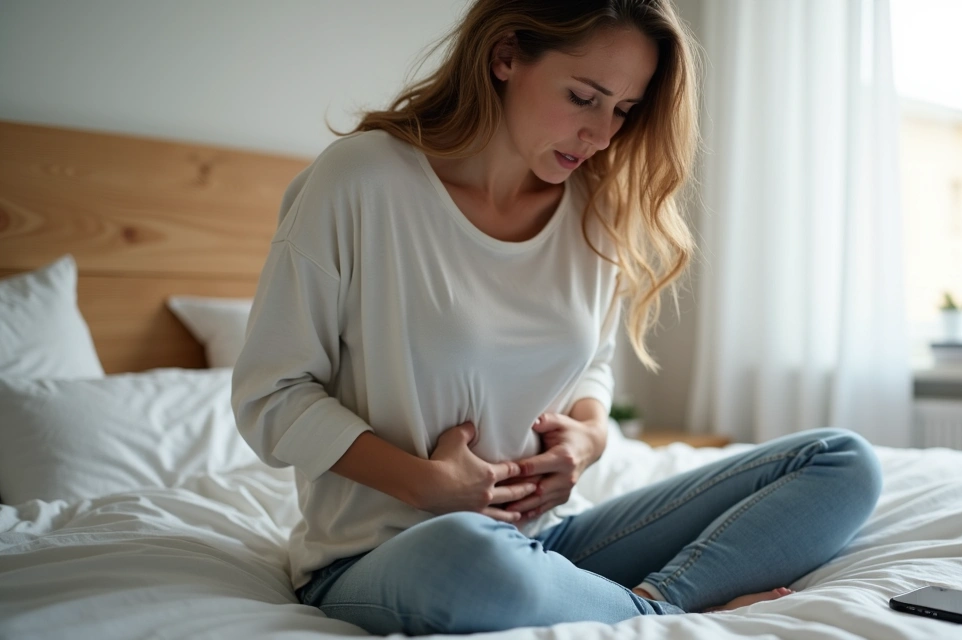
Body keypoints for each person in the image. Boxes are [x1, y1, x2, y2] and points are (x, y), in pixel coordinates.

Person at [231, 0, 883, 635]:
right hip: (387, 558)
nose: (601, 135)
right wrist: (425, 484)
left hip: (550, 543)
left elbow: (591, 366)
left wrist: (589, 438)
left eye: (624, 110)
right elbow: (271, 395)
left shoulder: (593, 211)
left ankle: (655, 605)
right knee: (467, 552)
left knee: (842, 460)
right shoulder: (361, 181)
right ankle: (666, 617)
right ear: (506, 55)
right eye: (584, 97)